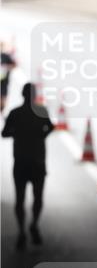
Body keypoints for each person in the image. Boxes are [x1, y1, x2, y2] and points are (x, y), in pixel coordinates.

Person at [2, 82, 54, 249]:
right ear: (34, 95)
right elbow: (51, 127)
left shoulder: (15, 113)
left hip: (20, 162)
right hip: (38, 161)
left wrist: (17, 132)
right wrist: (42, 135)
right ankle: (34, 225)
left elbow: (4, 133)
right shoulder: (42, 111)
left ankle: (21, 232)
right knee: (38, 197)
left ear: (22, 95)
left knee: (20, 198)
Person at [1, 42, 17, 113]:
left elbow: (14, 64)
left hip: (4, 82)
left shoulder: (5, 56)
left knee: (3, 99)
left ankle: (2, 111)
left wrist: (6, 67)